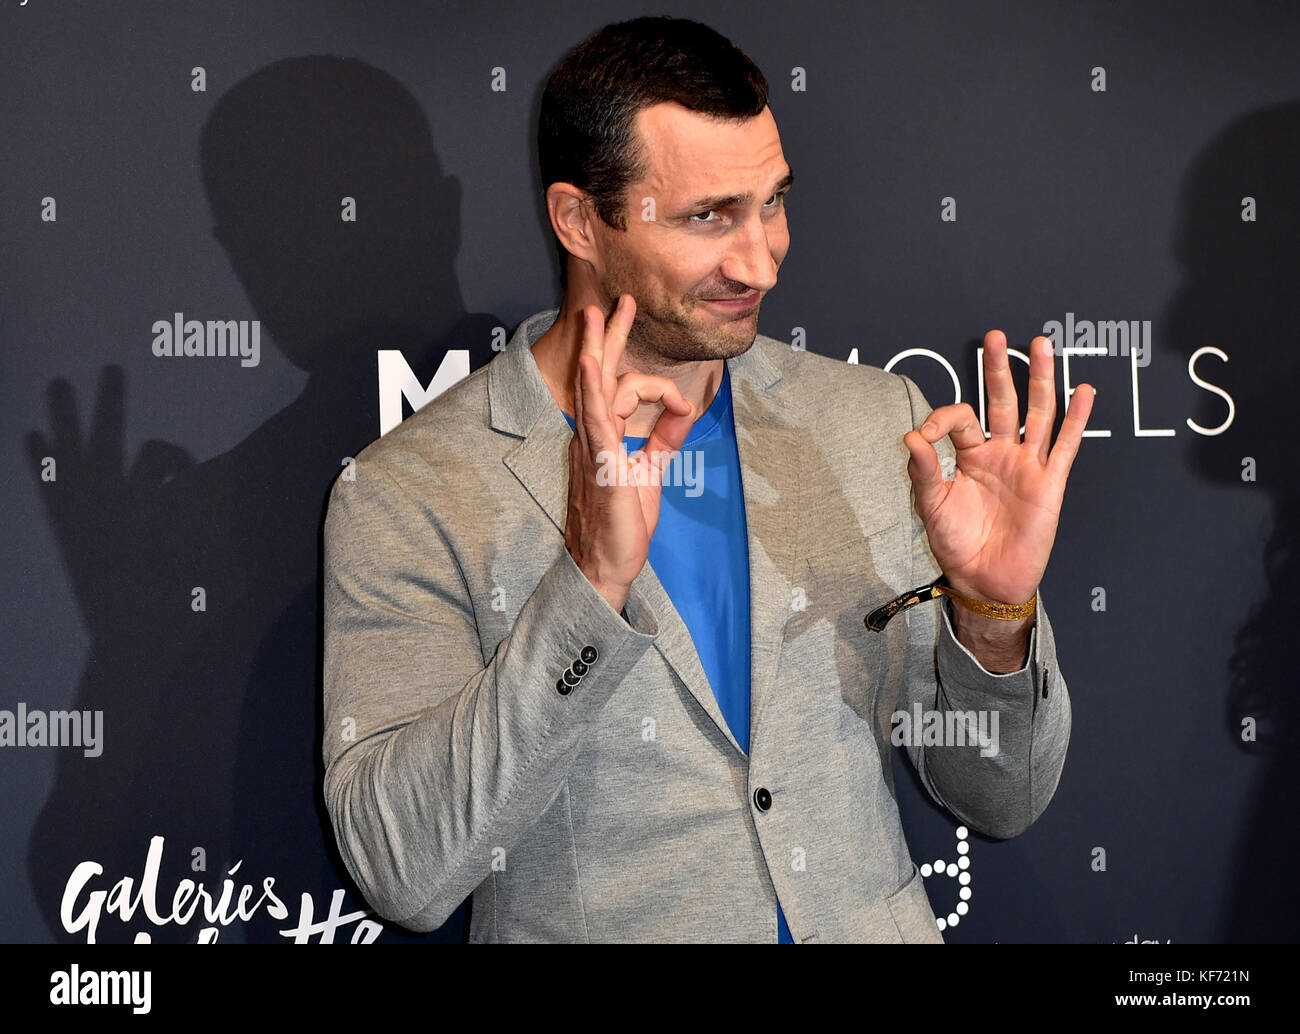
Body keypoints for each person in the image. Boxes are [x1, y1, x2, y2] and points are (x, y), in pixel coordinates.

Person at [321, 15, 1094, 943]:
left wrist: (994, 617)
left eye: (772, 201)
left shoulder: (870, 422)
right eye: (708, 217)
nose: (762, 257)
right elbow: (403, 871)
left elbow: (1000, 795)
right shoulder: (410, 493)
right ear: (578, 221)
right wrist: (588, 590)